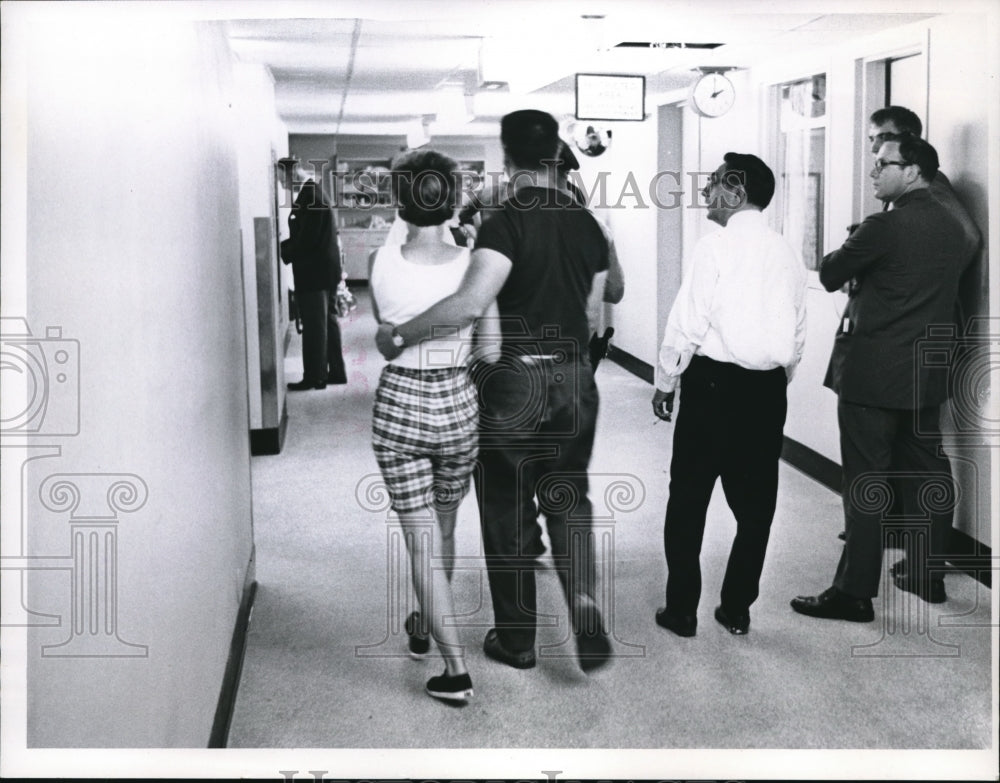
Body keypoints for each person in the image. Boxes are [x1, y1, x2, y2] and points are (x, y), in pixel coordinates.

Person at [375, 109, 621, 674]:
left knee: (507, 506)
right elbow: (598, 306)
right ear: (556, 155)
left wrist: (400, 335)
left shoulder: (505, 222)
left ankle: (517, 640)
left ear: (507, 158)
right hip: (575, 375)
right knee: (568, 494)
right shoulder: (588, 225)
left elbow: (467, 305)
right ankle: (582, 597)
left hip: (515, 378)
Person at [790, 136, 974, 621]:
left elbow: (830, 273)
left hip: (872, 377)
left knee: (865, 483)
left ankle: (853, 593)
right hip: (926, 375)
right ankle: (927, 575)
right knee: (930, 472)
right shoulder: (956, 226)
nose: (874, 172)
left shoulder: (883, 226)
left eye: (882, 164)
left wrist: (857, 248)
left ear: (911, 172)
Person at [651, 154, 807, 637]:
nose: (705, 191)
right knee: (756, 507)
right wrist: (775, 382)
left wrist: (666, 380)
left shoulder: (713, 247)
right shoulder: (787, 252)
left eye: (714, 183)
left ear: (736, 194)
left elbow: (688, 320)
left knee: (688, 499)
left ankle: (681, 610)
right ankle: (737, 608)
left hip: (712, 388)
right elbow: (798, 330)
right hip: (765, 391)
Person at [369, 149, 500, 703]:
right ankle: (426, 621)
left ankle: (454, 668)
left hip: (400, 402)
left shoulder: (380, 260)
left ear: (400, 200)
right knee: (444, 530)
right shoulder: (476, 265)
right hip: (457, 405)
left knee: (419, 542)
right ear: (451, 199)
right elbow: (490, 351)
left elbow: (385, 331)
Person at [279, 159, 347, 390]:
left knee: (315, 326)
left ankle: (315, 377)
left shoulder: (311, 197)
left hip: (315, 273)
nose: (281, 184)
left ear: (293, 174)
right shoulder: (314, 192)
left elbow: (307, 240)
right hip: (325, 270)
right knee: (327, 322)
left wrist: (282, 250)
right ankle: (336, 371)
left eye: (282, 178)